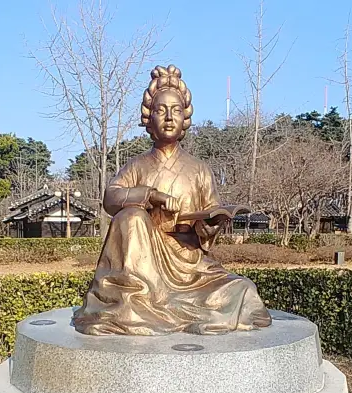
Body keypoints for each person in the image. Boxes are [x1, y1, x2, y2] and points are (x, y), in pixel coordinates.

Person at [73, 65, 272, 335]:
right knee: (129, 217)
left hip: (190, 265)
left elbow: (209, 215)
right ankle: (143, 300)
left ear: (185, 118)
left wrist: (209, 227)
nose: (169, 117)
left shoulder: (199, 169)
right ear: (149, 117)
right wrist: (148, 195)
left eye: (176, 110)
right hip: (145, 264)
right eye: (161, 110)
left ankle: (169, 307)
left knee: (242, 290)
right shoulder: (137, 167)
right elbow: (111, 197)